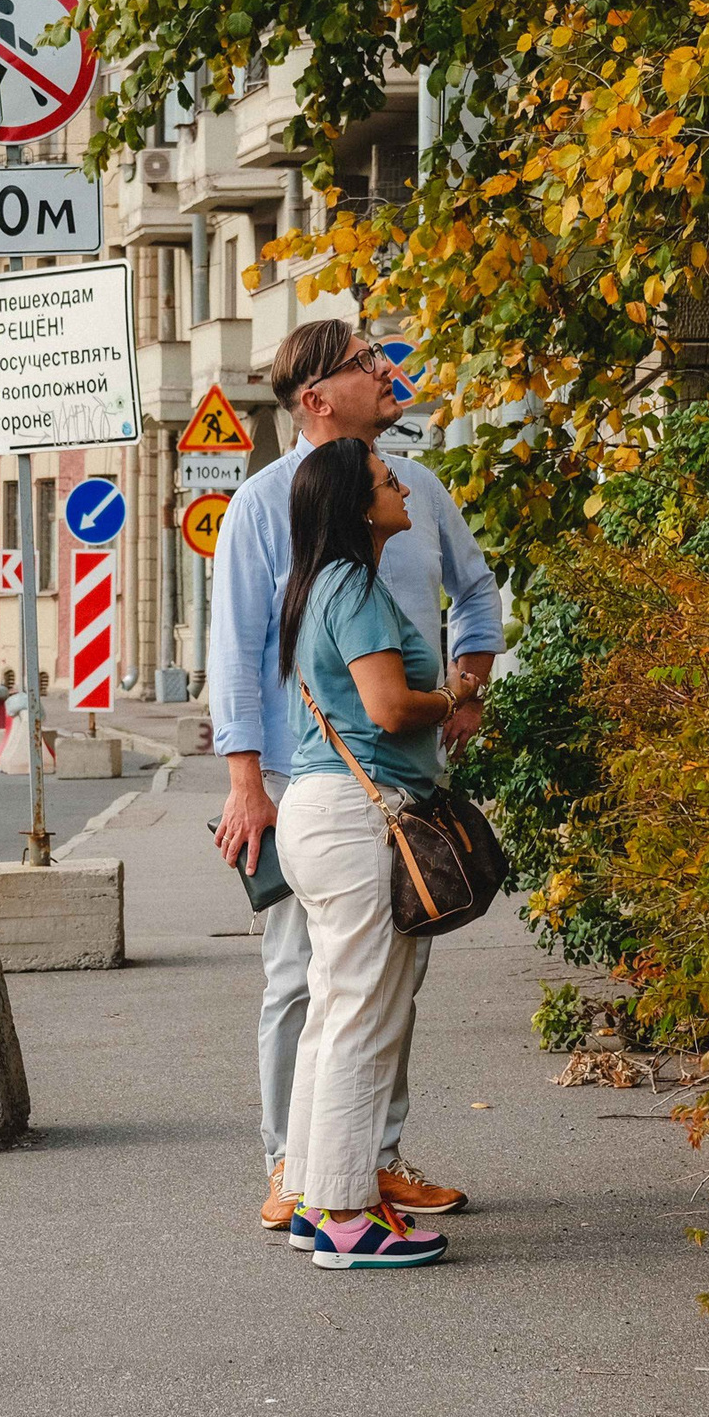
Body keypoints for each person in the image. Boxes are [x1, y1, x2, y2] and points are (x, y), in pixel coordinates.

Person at [208, 319, 501, 1236]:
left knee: (379, 984)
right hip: (315, 780)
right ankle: (297, 1171)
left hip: (399, 783)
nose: (387, 372)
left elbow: (477, 594)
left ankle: (370, 1161)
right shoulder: (265, 507)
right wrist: (245, 781)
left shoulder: (414, 488)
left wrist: (467, 693)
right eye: (364, 363)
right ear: (315, 398)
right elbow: (239, 648)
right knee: (310, 983)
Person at [270, 438, 484, 1267]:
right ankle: (347, 1218)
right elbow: (390, 708)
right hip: (358, 821)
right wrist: (457, 695)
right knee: (364, 1015)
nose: (402, 487)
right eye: (389, 480)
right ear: (360, 506)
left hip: (325, 814)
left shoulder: (322, 582)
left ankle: (316, 1200)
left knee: (335, 1011)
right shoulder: (354, 585)